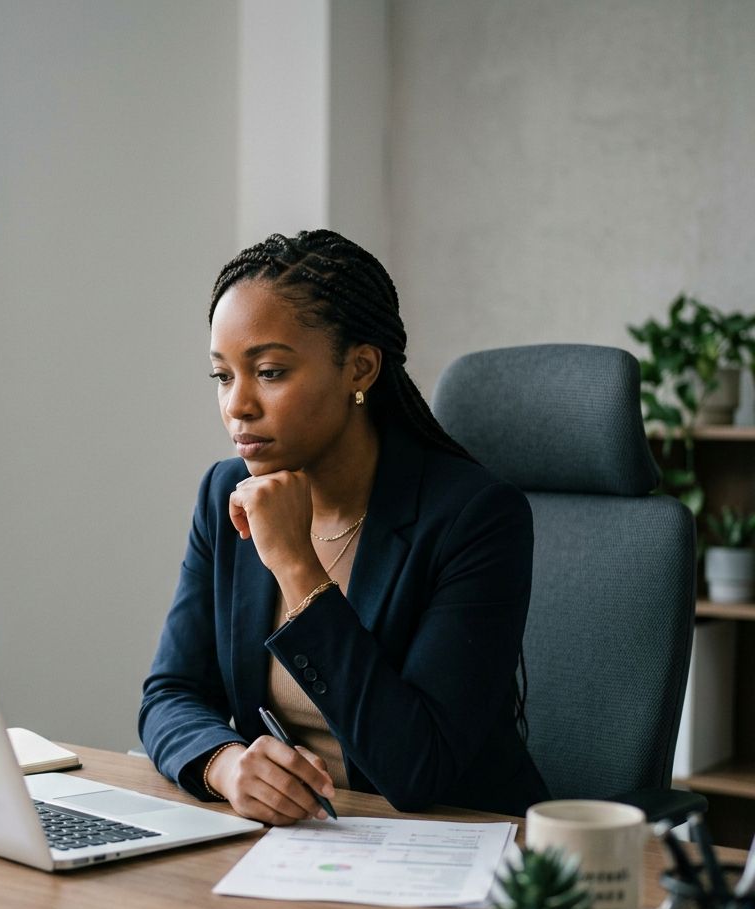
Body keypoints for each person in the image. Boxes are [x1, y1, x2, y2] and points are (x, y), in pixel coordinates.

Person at [138, 229, 550, 824]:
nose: (237, 405)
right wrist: (225, 764)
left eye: (271, 372)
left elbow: (417, 770)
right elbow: (170, 693)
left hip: (453, 844)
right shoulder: (224, 496)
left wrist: (297, 567)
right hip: (302, 843)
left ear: (359, 368)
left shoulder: (476, 517)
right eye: (223, 376)